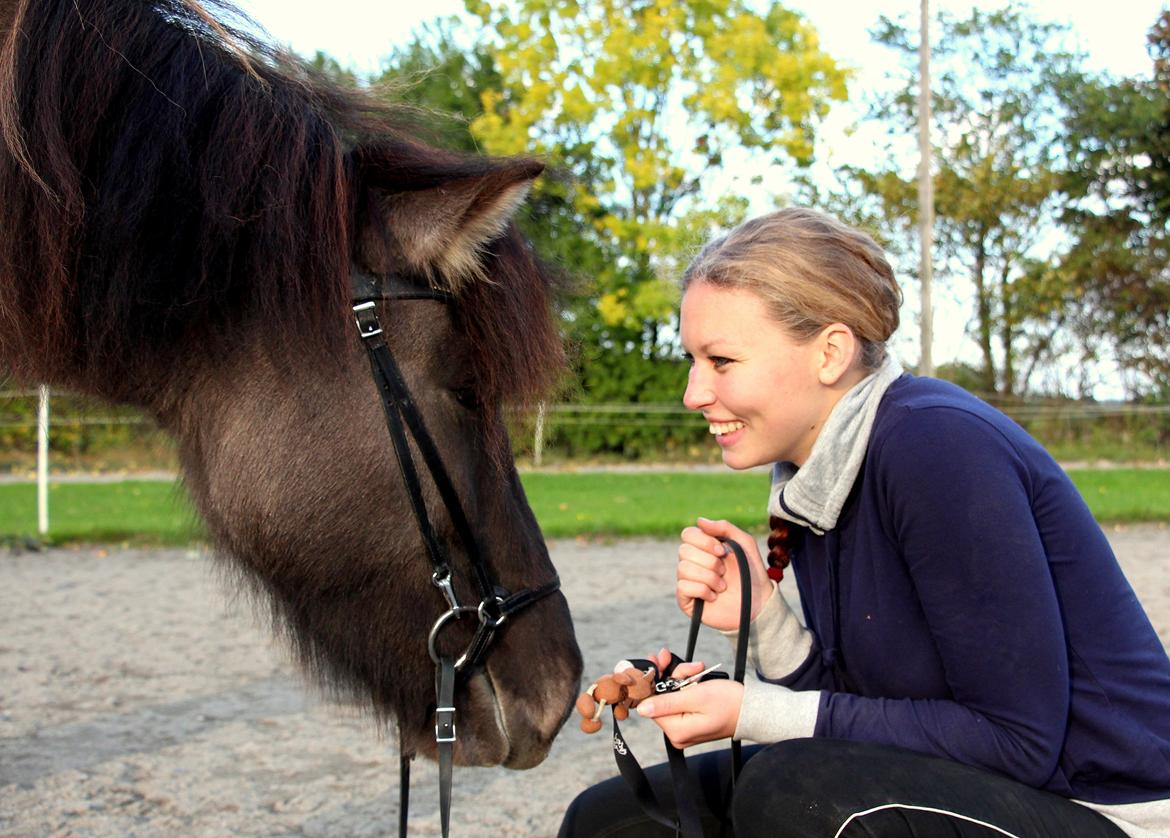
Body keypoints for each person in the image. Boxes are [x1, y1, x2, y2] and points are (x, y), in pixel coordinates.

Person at [559, 207, 1170, 837]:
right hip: (981, 781)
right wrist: (764, 618)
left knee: (797, 792)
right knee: (610, 822)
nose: (693, 393)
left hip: (1109, 808)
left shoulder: (936, 447)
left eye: (720, 361)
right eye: (692, 359)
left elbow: (1016, 740)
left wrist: (754, 711)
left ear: (830, 352)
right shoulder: (819, 469)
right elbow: (868, 712)